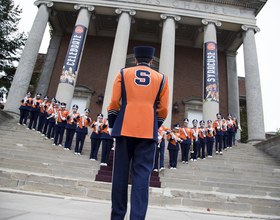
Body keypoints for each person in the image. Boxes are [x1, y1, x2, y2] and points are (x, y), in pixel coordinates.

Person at [107, 46, 169, 220]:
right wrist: (154, 126)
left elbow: (113, 102)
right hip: (147, 130)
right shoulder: (162, 78)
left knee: (120, 175)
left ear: (135, 60)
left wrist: (112, 124)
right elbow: (163, 109)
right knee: (142, 177)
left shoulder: (123, 73)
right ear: (151, 61)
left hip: (124, 127)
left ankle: (117, 216)